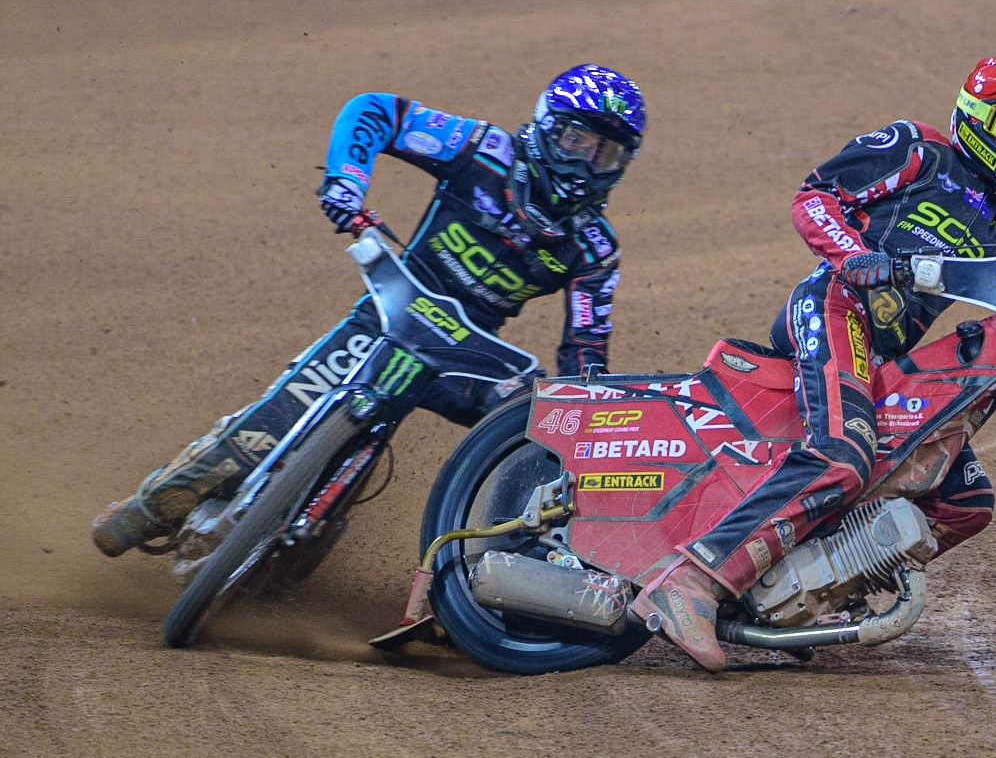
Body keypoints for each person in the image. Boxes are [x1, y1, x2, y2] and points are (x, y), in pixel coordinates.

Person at [631, 55, 996, 671]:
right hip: (835, 307)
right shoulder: (917, 150)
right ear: (978, 119)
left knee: (966, 502)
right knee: (842, 455)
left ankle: (803, 587)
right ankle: (692, 581)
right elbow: (816, 196)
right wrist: (854, 258)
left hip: (889, 355)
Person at [93, 64, 645, 562]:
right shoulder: (483, 150)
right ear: (547, 128)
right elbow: (375, 110)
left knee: (542, 436)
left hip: (466, 358)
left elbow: (586, 352)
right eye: (577, 140)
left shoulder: (595, 248)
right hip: (391, 310)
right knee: (274, 421)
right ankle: (156, 503)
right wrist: (347, 183)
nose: (587, 163)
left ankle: (491, 570)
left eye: (606, 153)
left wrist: (577, 408)